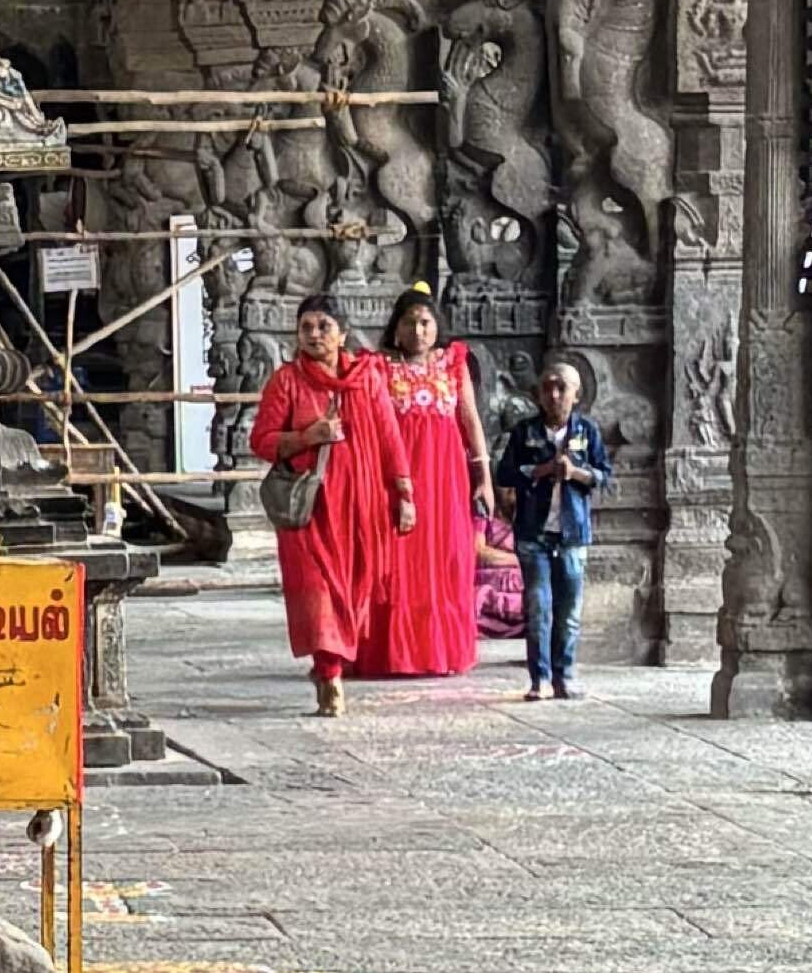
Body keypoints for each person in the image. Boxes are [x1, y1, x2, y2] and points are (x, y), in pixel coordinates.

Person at [248, 300, 396, 717]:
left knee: (353, 590)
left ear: (342, 334)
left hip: (360, 507)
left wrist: (403, 493)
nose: (314, 334)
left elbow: (389, 437)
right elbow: (261, 441)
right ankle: (330, 674)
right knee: (317, 593)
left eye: (323, 326)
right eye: (306, 327)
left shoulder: (367, 379)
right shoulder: (286, 381)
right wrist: (307, 437)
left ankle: (331, 665)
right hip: (309, 509)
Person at [350, 288, 489, 682]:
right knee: (396, 564)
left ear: (436, 326)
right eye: (410, 322)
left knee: (445, 559)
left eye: (425, 322)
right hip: (396, 478)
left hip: (446, 480)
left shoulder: (453, 363)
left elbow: (470, 418)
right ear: (396, 328)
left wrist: (484, 476)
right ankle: (392, 655)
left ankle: (440, 652)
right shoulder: (378, 367)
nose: (418, 330)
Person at [491, 356, 613, 701]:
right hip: (533, 532)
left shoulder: (587, 432)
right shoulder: (524, 432)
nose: (554, 394)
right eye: (547, 388)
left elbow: (603, 475)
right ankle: (539, 678)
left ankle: (565, 674)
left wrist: (576, 473)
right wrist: (540, 471)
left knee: (569, 611)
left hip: (572, 533)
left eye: (562, 388)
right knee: (538, 608)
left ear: (577, 394)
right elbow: (505, 474)